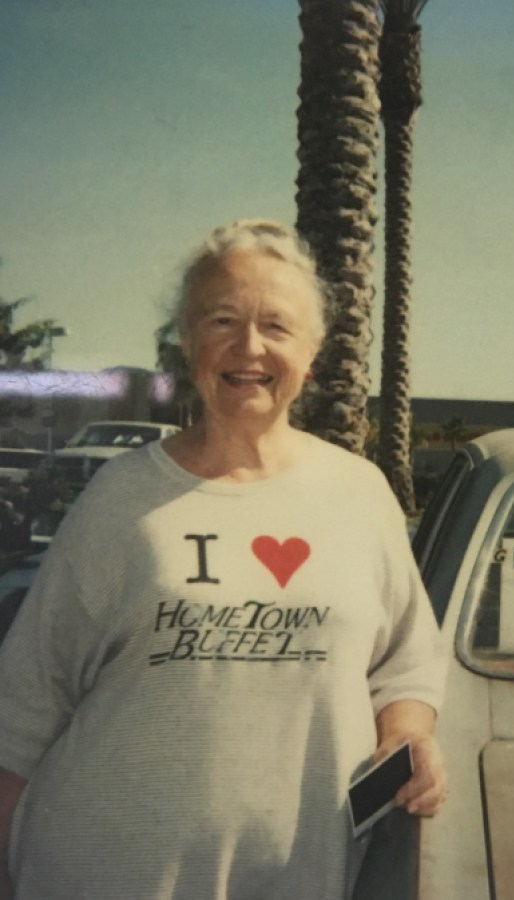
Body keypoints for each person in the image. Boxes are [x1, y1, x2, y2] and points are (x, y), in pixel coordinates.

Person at [0, 219, 447, 900]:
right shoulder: (122, 498)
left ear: (313, 349)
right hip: (100, 876)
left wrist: (407, 738)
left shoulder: (360, 495)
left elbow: (406, 667)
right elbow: (23, 709)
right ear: (186, 342)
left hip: (300, 879)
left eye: (276, 325)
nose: (248, 347)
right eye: (221, 320)